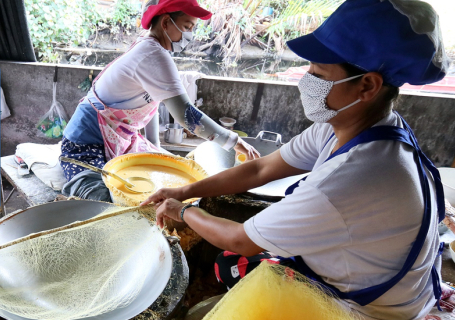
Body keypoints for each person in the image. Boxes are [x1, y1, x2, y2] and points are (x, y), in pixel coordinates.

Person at [141, 0, 449, 319]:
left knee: (234, 261)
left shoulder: (349, 179)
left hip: (368, 309)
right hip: (378, 275)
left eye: (318, 72)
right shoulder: (362, 127)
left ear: (367, 85)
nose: (306, 79)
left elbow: (239, 239)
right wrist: (184, 190)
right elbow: (262, 168)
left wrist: (184, 211)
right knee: (231, 263)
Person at [60, 0, 260, 202]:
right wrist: (234, 141)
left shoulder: (150, 46)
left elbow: (151, 105)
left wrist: (154, 146)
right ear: (165, 22)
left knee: (169, 184)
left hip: (120, 140)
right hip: (84, 144)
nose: (189, 36)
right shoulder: (152, 54)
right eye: (186, 27)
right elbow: (186, 115)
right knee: (103, 201)